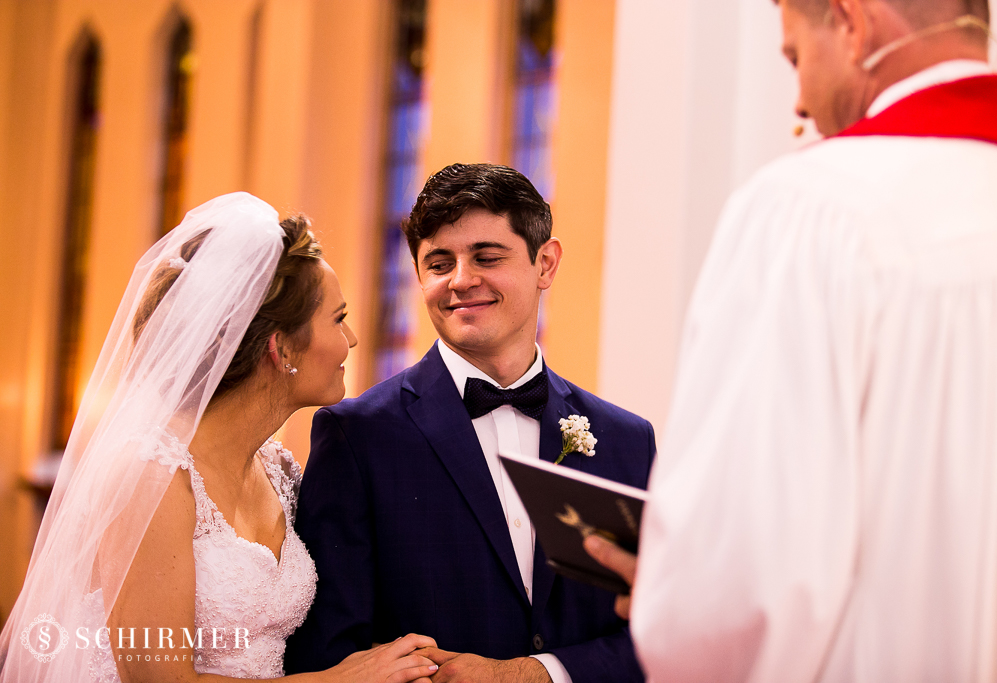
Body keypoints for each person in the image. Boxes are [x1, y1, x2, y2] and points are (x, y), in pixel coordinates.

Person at [585, 0, 997, 681]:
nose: (800, 100)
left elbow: (740, 593)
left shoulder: (813, 209)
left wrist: (671, 597)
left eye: (794, 55)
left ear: (852, 23)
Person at [0, 192, 439, 683]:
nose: (352, 340)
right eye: (338, 319)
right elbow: (157, 680)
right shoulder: (149, 473)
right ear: (280, 348)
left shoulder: (279, 469)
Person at [284, 164, 656, 683]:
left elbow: (659, 635)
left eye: (487, 257)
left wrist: (536, 674)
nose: (461, 280)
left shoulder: (627, 442)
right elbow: (329, 654)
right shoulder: (358, 438)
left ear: (545, 264)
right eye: (439, 263)